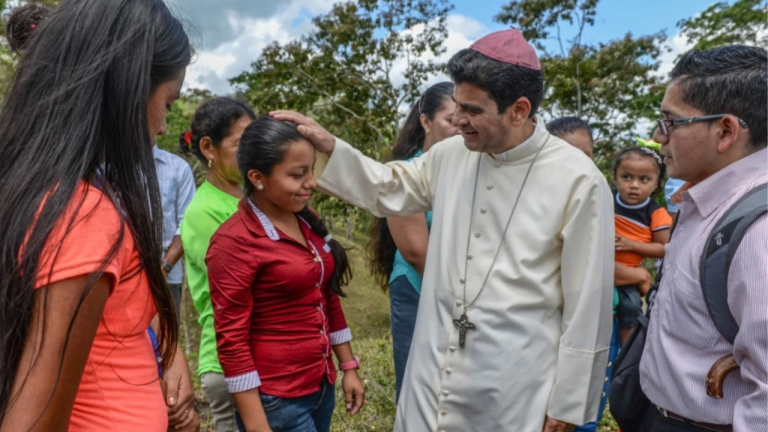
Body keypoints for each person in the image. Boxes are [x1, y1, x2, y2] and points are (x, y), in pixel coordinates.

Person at [274, 28, 614, 432]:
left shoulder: (579, 180)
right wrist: (330, 147)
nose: (456, 120)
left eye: (471, 110)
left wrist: (570, 401)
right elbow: (390, 187)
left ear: (519, 110)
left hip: (515, 383)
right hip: (434, 364)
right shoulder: (451, 154)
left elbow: (589, 304)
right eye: (457, 106)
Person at [0, 1, 199, 431]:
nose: (164, 125)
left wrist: (166, 351)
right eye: (167, 101)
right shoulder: (85, 215)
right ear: (124, 91)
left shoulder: (51, 193)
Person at [206, 115, 366, 432]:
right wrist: (256, 425)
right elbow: (232, 342)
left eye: (311, 170)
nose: (310, 183)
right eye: (297, 174)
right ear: (257, 177)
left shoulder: (306, 221)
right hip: (276, 401)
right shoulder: (234, 243)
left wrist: (348, 366)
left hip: (321, 387)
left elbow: (326, 296)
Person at [638, 45, 767, 432]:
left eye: (670, 122)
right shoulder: (704, 201)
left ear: (725, 130)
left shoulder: (757, 229)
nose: (658, 137)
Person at [368, 81, 458, 400]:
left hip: (461, 293)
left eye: (465, 119)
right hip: (418, 289)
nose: (459, 128)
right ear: (426, 122)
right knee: (418, 388)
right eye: (450, 119)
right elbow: (418, 253)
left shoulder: (466, 173)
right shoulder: (405, 175)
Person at [179, 97, 256, 432]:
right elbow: (245, 282)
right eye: (241, 143)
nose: (251, 152)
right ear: (208, 147)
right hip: (231, 363)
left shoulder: (249, 199)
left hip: (261, 353)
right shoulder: (203, 211)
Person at [548, 117, 619, 432]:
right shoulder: (538, 203)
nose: (578, 163)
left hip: (602, 318)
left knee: (586, 411)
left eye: (586, 155)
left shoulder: (596, 192)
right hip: (555, 325)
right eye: (567, 152)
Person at [612, 146, 672, 345]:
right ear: (615, 177)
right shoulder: (604, 199)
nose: (634, 185)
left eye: (644, 179)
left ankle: (625, 354)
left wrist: (632, 245)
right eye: (626, 177)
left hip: (628, 276)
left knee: (630, 309)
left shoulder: (655, 213)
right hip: (597, 268)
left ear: (656, 184)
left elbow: (664, 249)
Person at [154, 144, 196, 319]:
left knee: (166, 342)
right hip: (121, 280)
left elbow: (186, 223)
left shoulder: (177, 168)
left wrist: (163, 269)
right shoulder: (108, 169)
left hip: (167, 279)